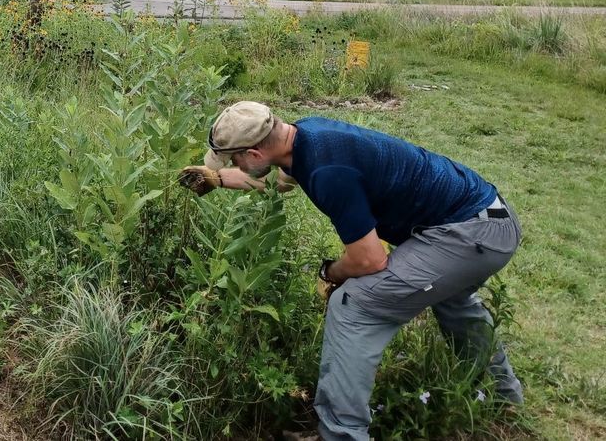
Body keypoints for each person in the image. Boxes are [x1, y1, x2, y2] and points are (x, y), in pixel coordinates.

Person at [180, 102, 523, 441]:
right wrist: (218, 178)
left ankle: (341, 433)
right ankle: (502, 397)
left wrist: (331, 273)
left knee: (354, 305)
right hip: (487, 218)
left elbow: (370, 260)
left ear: (254, 154)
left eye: (233, 159)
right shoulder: (305, 135)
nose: (233, 164)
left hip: (469, 236)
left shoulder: (327, 173)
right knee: (451, 300)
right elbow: (279, 183)